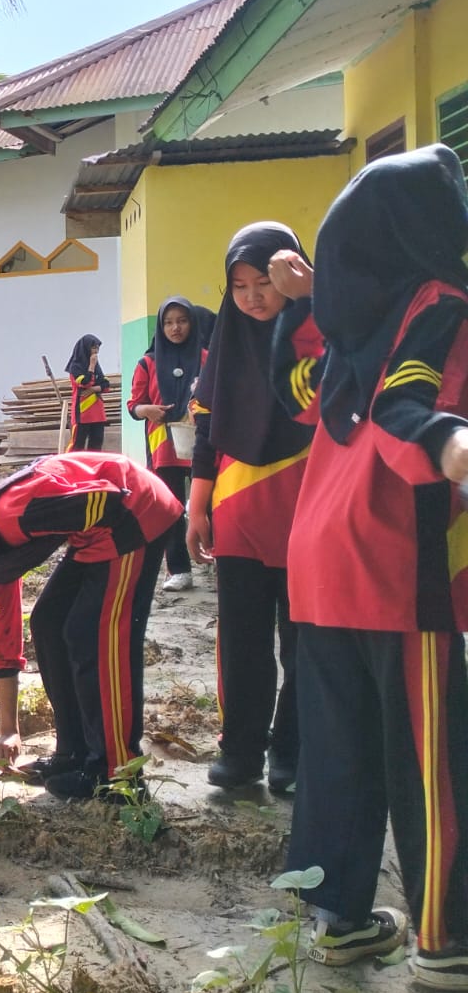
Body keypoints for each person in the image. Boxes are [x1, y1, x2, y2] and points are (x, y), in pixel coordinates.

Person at [270, 145, 468, 985]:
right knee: (430, 762)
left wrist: (300, 299)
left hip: (317, 560)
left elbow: (301, 391)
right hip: (392, 561)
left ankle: (340, 916)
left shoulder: (353, 320)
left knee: (339, 754)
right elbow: (405, 404)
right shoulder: (438, 299)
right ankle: (445, 939)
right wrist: (450, 443)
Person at [0, 452, 181, 800]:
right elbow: (4, 639)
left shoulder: (12, 517)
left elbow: (104, 499)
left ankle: (116, 774)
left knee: (93, 638)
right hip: (96, 533)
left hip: (134, 514)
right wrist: (8, 731)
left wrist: (71, 513)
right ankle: (73, 754)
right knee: (49, 623)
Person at [188, 224, 322, 795]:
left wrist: (314, 302)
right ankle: (240, 749)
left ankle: (290, 751)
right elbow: (206, 430)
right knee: (241, 640)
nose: (252, 296)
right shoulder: (224, 347)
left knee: (304, 642)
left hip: (308, 510)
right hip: (238, 511)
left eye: (264, 280)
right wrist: (196, 507)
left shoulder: (321, 335)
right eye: (239, 285)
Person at [128, 296, 210, 592]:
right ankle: (179, 569)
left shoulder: (206, 358)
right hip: (163, 446)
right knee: (171, 507)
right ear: (161, 327)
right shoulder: (147, 363)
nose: (175, 328)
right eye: (168, 322)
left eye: (182, 321)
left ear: (193, 323)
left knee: (210, 502)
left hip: (202, 442)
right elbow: (134, 405)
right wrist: (146, 410)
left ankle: (215, 557)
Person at [65, 334, 111, 451]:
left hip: (98, 412)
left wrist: (94, 389)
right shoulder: (75, 367)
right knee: (77, 445)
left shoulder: (97, 366)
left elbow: (106, 385)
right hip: (82, 412)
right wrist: (91, 366)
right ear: (85, 348)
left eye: (97, 349)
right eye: (93, 348)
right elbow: (84, 383)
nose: (96, 352)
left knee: (96, 444)